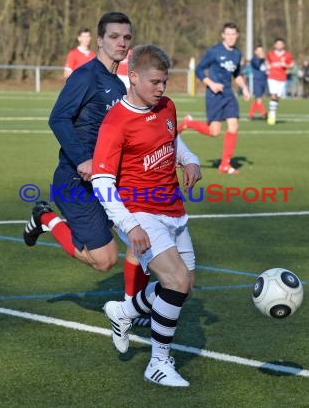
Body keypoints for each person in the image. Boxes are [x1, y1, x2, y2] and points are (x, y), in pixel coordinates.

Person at [91, 44, 202, 387]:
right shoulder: (116, 122)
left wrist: (189, 158)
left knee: (185, 287)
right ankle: (158, 363)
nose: (161, 89)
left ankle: (123, 311)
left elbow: (171, 138)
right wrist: (130, 224)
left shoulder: (166, 106)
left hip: (173, 208)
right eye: (155, 82)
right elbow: (102, 180)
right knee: (176, 281)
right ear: (133, 77)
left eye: (164, 82)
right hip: (140, 212)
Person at [23, 12, 149, 314]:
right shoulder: (86, 76)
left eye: (127, 37)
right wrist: (82, 159)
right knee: (105, 261)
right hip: (75, 181)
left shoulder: (118, 87)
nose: (121, 42)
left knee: (143, 233)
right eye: (115, 36)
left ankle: (136, 309)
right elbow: (58, 118)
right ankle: (45, 218)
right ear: (100, 40)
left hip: (107, 181)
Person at [177, 22, 250, 175]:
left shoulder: (237, 54)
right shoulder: (214, 51)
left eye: (233, 34)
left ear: (237, 36)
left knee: (233, 126)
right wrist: (211, 83)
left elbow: (236, 74)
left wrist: (244, 88)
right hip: (214, 95)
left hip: (229, 95)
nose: (231, 37)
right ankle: (188, 123)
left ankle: (225, 164)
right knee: (214, 132)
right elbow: (199, 69)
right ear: (223, 35)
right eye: (228, 34)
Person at [266, 38, 294, 125]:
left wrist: (285, 65)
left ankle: (273, 110)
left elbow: (291, 65)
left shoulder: (287, 55)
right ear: (275, 45)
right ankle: (272, 115)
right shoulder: (270, 54)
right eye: (277, 44)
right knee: (273, 95)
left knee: (277, 96)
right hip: (272, 77)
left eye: (281, 44)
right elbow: (267, 63)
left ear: (283, 45)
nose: (279, 45)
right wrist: (268, 67)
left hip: (282, 78)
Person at [247, 45, 267, 119]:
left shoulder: (265, 59)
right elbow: (257, 65)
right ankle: (264, 113)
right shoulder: (254, 59)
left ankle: (251, 114)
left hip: (264, 80)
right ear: (255, 52)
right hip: (256, 81)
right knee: (259, 98)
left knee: (258, 99)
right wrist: (261, 59)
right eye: (259, 51)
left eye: (261, 51)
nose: (261, 52)